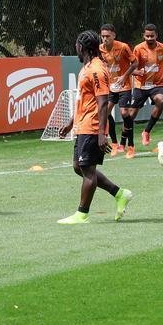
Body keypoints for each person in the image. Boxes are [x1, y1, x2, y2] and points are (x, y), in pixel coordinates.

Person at [57, 30, 133, 224]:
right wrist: (71, 123)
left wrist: (101, 133)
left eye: (77, 44)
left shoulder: (97, 69)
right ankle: (119, 193)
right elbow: (83, 99)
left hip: (92, 126)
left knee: (88, 171)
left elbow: (102, 102)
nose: (75, 47)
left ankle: (82, 214)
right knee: (79, 167)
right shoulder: (87, 67)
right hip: (82, 124)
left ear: (82, 47)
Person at [127, 24, 163, 148]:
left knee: (161, 100)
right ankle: (126, 143)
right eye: (147, 36)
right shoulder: (138, 49)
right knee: (130, 115)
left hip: (157, 84)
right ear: (143, 36)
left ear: (156, 35)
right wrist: (137, 72)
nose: (149, 38)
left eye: (152, 36)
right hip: (140, 85)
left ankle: (146, 131)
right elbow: (131, 68)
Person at [98, 24, 136, 156]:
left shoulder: (123, 47)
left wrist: (125, 76)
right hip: (110, 86)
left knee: (124, 112)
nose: (105, 39)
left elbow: (135, 63)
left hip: (124, 86)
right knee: (105, 112)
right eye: (103, 36)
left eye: (107, 36)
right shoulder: (100, 49)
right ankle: (114, 143)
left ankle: (130, 145)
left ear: (114, 35)